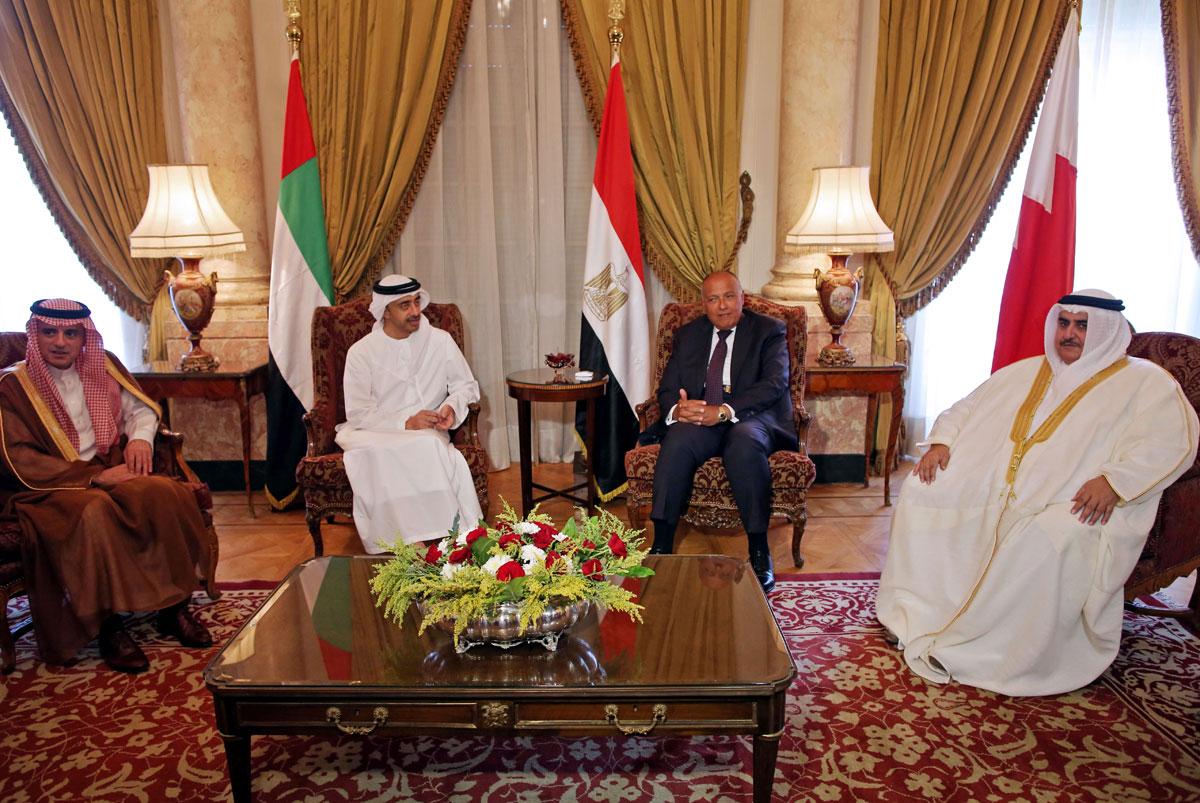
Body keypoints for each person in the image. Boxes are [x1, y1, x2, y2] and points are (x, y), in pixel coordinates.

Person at [877, 289, 1198, 696]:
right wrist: (941, 442)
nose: (1069, 334)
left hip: (1080, 503)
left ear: (1106, 330)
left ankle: (989, 648)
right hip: (997, 489)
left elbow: (1174, 443)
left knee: (1043, 539)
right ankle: (918, 615)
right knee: (924, 494)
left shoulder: (1145, 382)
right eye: (1064, 323)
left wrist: (1117, 482)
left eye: (1082, 326)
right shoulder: (1027, 370)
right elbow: (966, 407)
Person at [0, 299, 214, 673]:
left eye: (71, 333)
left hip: (107, 468)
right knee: (94, 512)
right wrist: (92, 478)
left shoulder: (103, 365)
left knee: (164, 494)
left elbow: (141, 410)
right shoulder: (12, 386)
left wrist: (140, 440)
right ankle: (108, 624)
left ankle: (172, 607)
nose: (60, 342)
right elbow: (18, 457)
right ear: (37, 335)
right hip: (49, 486)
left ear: (85, 337)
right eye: (50, 332)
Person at [646, 271, 797, 592]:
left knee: (744, 443)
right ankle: (661, 546)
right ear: (704, 305)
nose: (722, 306)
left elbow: (774, 384)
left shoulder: (769, 330)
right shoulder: (688, 334)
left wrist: (725, 411)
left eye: (729, 296)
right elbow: (667, 388)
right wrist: (678, 410)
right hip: (703, 414)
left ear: (743, 297)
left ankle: (759, 550)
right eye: (713, 299)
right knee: (678, 440)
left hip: (751, 416)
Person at [337, 275, 483, 552]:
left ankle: (445, 538)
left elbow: (466, 386)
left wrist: (450, 407)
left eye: (417, 302)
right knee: (383, 453)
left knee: (426, 444)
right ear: (386, 311)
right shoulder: (361, 353)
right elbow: (358, 412)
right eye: (405, 305)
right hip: (373, 432)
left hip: (429, 430)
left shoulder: (440, 341)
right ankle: (410, 542)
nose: (415, 311)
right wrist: (405, 422)